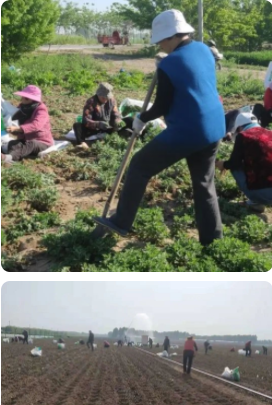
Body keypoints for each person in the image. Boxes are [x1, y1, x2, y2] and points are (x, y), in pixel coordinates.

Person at [93, 10, 225, 247]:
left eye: (162, 39)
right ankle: (213, 241)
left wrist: (141, 118)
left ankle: (121, 221)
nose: (161, 44)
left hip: (189, 130)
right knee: (205, 184)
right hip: (214, 126)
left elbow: (162, 104)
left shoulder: (169, 63)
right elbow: (195, 87)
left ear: (173, 35)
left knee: (139, 167)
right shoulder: (205, 50)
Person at [215, 110, 272, 210]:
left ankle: (256, 201)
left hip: (263, 193)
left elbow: (234, 163)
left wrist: (223, 164)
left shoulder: (243, 136)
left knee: (236, 168)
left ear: (240, 127)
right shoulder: (271, 133)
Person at [1, 85, 54, 165]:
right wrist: (10, 128)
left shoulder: (41, 109)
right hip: (25, 139)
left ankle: (9, 158)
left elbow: (36, 125)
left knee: (31, 144)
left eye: (25, 97)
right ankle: (10, 155)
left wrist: (17, 129)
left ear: (31, 99)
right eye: (22, 96)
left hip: (42, 142)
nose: (22, 99)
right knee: (13, 143)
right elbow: (17, 124)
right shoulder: (22, 108)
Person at [72, 83, 132, 151]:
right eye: (103, 98)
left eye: (107, 98)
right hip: (94, 129)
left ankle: (140, 135)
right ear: (98, 95)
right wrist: (99, 124)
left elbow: (116, 113)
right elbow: (86, 120)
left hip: (109, 127)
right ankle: (83, 144)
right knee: (77, 126)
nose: (105, 100)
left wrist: (117, 121)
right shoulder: (91, 102)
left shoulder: (111, 100)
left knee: (130, 120)